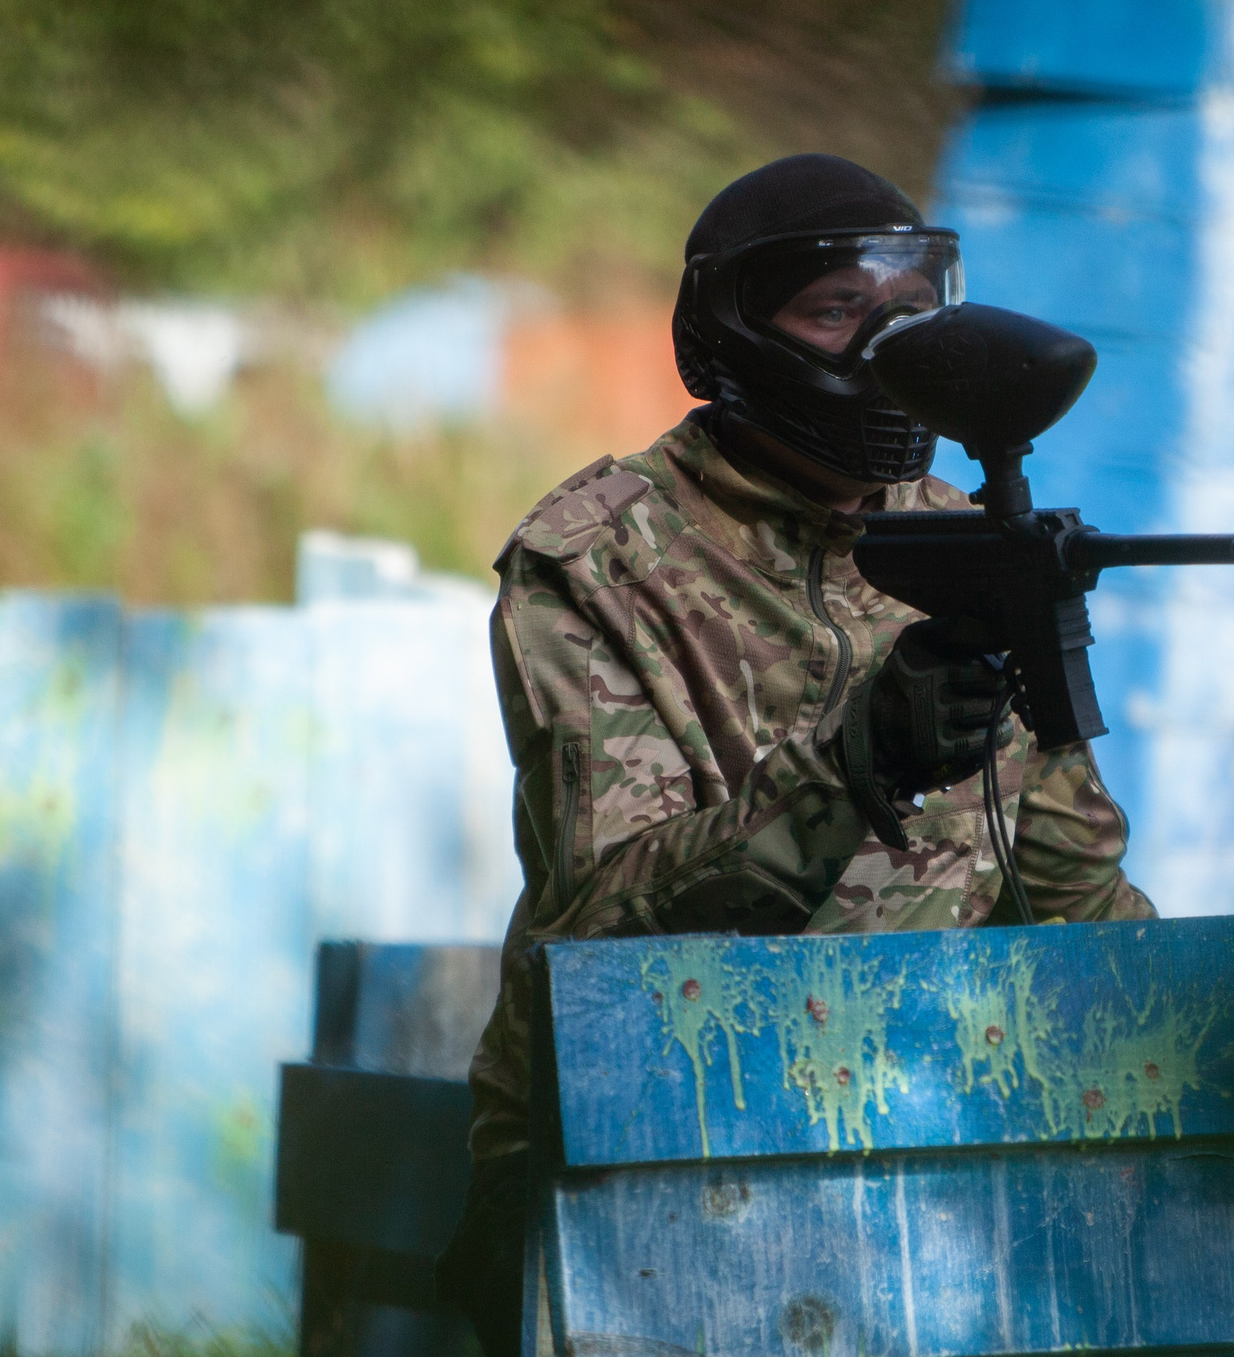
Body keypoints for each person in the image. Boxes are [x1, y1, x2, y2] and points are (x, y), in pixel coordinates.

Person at [436, 154, 1156, 1355]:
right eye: (837, 310)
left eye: (913, 313)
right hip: (644, 1149)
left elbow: (1074, 900)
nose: (888, 347)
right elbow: (605, 932)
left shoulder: (959, 540)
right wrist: (858, 764)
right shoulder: (598, 558)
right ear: (733, 334)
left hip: (929, 1144)